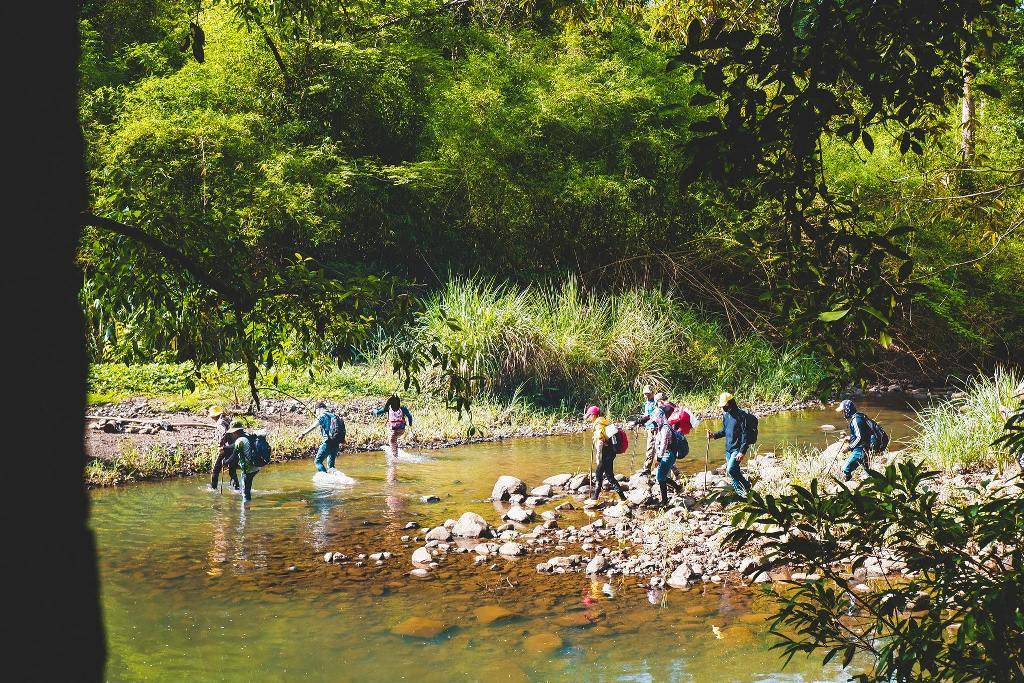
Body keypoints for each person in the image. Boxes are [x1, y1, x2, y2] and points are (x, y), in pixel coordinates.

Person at [707, 392, 752, 498]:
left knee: (731, 469)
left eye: (724, 405)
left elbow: (746, 435)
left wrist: (742, 451)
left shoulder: (742, 416)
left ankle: (746, 485)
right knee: (734, 472)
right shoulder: (726, 415)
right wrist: (714, 435)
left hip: (738, 449)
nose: (723, 407)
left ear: (730, 403)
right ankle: (740, 493)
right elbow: (725, 431)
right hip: (729, 449)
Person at [584, 405, 627, 502]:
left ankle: (595, 498)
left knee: (599, 474)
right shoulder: (604, 422)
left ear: (594, 415)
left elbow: (600, 442)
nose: (589, 418)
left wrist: (598, 456)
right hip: (611, 452)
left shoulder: (599, 425)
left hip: (605, 453)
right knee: (609, 476)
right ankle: (623, 498)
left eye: (589, 415)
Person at [654, 405, 690, 506]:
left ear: (660, 416)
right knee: (662, 476)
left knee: (660, 478)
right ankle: (678, 488)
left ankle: (664, 502)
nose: (655, 419)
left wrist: (659, 458)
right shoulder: (661, 426)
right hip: (667, 454)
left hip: (668, 455)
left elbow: (664, 444)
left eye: (656, 417)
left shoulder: (665, 428)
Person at [299, 402, 346, 472]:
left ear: (319, 409)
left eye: (316, 411)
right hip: (336, 443)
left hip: (328, 443)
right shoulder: (334, 415)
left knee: (318, 462)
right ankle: (334, 479)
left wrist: (302, 434)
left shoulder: (322, 416)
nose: (316, 413)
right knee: (331, 466)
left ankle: (326, 478)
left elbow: (313, 426)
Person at [836, 399, 874, 481]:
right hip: (866, 448)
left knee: (845, 469)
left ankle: (848, 485)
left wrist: (849, 448)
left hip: (860, 450)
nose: (842, 414)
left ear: (847, 410)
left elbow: (860, 437)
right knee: (868, 472)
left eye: (843, 411)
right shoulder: (859, 417)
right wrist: (849, 438)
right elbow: (862, 435)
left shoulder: (856, 420)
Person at [226, 421, 260, 502]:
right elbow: (235, 446)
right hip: (257, 466)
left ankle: (245, 513)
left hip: (248, 469)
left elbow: (233, 456)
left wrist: (225, 462)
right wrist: (225, 448)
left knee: (245, 493)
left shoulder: (239, 440)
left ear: (235, 432)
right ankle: (247, 509)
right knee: (247, 488)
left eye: (233, 432)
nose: (232, 434)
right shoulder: (248, 436)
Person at [208, 405, 238, 491]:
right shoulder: (228, 419)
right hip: (234, 447)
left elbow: (224, 434)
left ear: (214, 416)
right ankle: (237, 489)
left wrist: (221, 446)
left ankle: (213, 489)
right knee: (232, 471)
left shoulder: (220, 422)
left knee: (215, 469)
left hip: (226, 448)